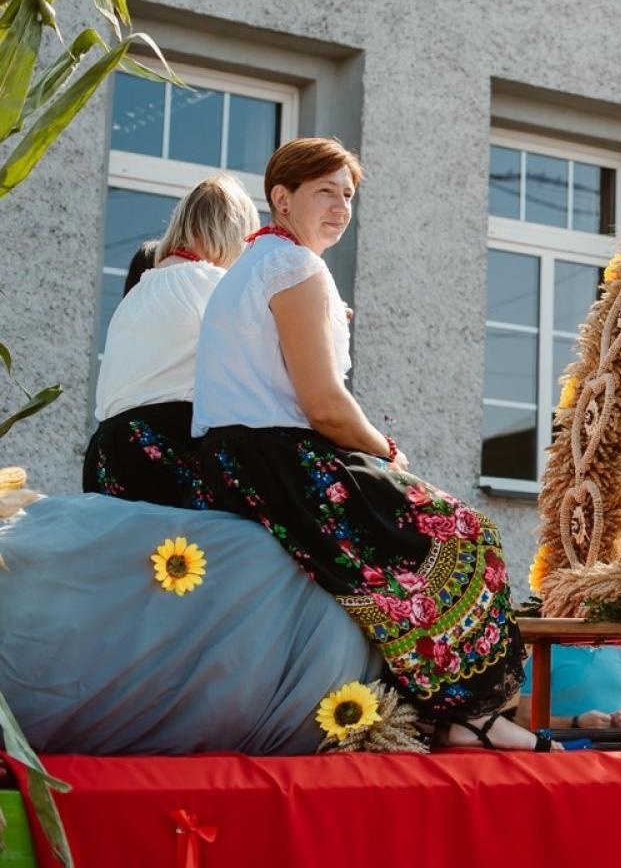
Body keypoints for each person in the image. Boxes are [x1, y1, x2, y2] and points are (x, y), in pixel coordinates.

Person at [192, 138, 548, 752]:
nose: (340, 207)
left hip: (234, 458)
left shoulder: (255, 265)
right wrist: (385, 450)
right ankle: (472, 717)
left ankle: (447, 713)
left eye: (348, 195)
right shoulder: (295, 268)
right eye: (324, 192)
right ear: (282, 198)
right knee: (463, 534)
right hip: (278, 459)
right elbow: (326, 406)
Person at [84, 176, 259, 506]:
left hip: (106, 452)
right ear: (236, 233)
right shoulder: (217, 286)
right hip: (164, 447)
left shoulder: (136, 296)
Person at [519, 646, 621, 732]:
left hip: (618, 750)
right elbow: (523, 718)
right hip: (563, 751)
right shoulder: (548, 651)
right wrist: (575, 722)